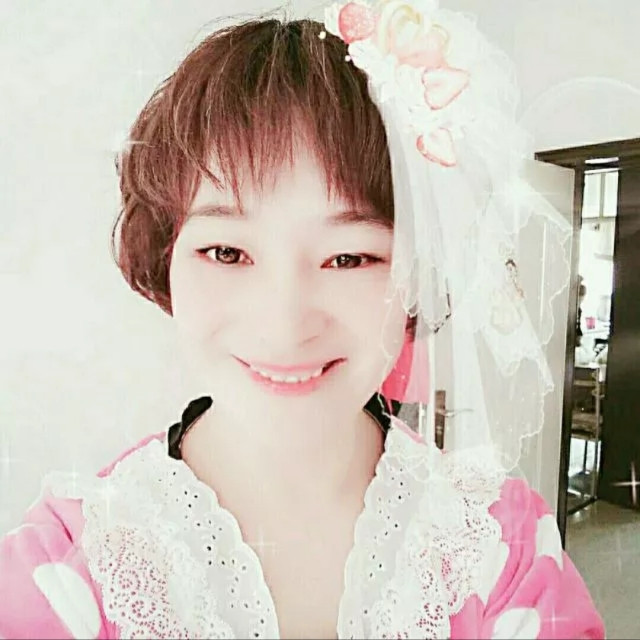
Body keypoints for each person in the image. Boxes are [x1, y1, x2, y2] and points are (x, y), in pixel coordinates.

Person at [0, 3, 605, 639]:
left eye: (349, 257)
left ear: (416, 277)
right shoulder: (68, 564)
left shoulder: (503, 552)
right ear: (165, 256)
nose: (284, 325)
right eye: (226, 252)